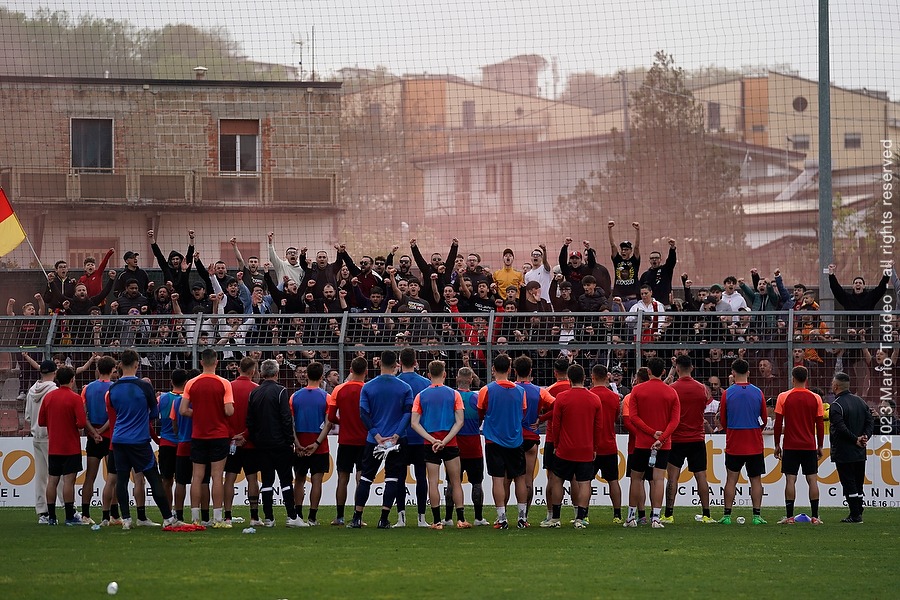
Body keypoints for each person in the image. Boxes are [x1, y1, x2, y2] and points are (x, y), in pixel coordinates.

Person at [105, 349, 180, 529]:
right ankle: (168, 517)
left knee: (122, 479)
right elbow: (154, 413)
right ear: (137, 365)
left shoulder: (113, 388)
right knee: (153, 477)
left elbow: (113, 409)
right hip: (138, 439)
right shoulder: (144, 386)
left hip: (118, 439)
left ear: (121, 365)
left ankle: (127, 519)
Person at [350, 350, 414, 529]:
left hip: (374, 439)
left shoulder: (368, 387)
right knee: (392, 478)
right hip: (397, 440)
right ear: (396, 364)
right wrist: (396, 435)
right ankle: (383, 518)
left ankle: (357, 517)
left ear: (379, 364)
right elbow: (408, 413)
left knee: (366, 478)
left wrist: (376, 435)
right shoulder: (404, 388)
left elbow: (364, 414)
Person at [180, 348, 235, 527]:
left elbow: (182, 410)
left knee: (197, 476)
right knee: (217, 476)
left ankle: (195, 517)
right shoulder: (224, 383)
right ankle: (218, 518)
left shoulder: (191, 383)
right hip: (219, 434)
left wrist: (199, 413)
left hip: (198, 434)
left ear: (201, 362)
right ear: (216, 362)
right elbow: (229, 410)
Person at [410, 360, 468, 529]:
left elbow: (414, 423)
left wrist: (432, 439)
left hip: (430, 443)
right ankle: (461, 519)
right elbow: (460, 421)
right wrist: (445, 440)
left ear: (429, 375)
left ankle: (436, 521)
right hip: (449, 443)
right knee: (456, 482)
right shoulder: (454, 394)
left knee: (433, 482)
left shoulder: (421, 395)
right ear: (444, 374)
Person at [623, 356, 680, 529]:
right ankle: (655, 517)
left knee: (636, 479)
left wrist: (651, 433)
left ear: (648, 371)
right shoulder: (671, 392)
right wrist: (661, 438)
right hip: (663, 444)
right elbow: (675, 421)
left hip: (641, 443)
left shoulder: (638, 391)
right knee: (658, 479)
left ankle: (631, 517)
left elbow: (633, 417)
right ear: (663, 372)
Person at [246, 359, 302, 527]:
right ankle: (292, 517)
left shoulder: (254, 393)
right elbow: (286, 418)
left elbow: (250, 421)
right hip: (280, 444)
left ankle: (269, 518)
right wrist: (289, 440)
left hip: (262, 445)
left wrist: (256, 439)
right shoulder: (280, 391)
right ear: (277, 373)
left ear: (262, 373)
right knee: (285, 481)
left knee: (267, 481)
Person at [547, 364, 603, 529]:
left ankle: (556, 518)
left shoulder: (562, 398)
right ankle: (580, 517)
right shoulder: (594, 399)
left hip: (565, 448)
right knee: (584, 482)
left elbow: (556, 425)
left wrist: (556, 444)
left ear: (569, 379)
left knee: (557, 480)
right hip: (585, 448)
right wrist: (595, 447)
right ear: (584, 378)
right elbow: (598, 427)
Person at [477, 353, 528, 530]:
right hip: (515, 440)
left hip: (494, 440)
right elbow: (522, 412)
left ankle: (502, 517)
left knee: (498, 480)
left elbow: (480, 412)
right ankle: (522, 517)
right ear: (509, 369)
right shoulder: (520, 391)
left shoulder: (486, 390)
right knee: (520, 478)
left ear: (493, 369)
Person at [664, 355, 715, 524]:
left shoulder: (673, 388)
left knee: (672, 477)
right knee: (701, 476)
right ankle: (706, 514)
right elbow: (704, 405)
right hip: (696, 437)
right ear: (692, 368)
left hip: (677, 438)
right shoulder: (702, 388)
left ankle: (669, 514)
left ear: (677, 368)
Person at [718, 359, 768, 525]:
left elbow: (723, 419)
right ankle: (756, 515)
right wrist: (755, 429)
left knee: (731, 479)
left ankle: (726, 515)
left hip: (735, 441)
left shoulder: (728, 393)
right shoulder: (757, 392)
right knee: (756, 479)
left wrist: (731, 429)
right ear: (748, 372)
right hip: (753, 440)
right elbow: (764, 418)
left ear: (733, 372)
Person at [774, 366, 825, 525]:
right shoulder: (816, 398)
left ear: (793, 378)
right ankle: (815, 517)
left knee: (790, 480)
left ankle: (789, 517)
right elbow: (820, 425)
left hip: (790, 445)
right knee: (812, 480)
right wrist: (820, 445)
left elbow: (778, 423)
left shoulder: (783, 397)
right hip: (809, 445)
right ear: (806, 378)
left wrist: (777, 444)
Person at [38, 366, 87, 526]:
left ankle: (51, 517)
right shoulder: (75, 398)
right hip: (70, 446)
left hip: (54, 446)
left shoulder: (49, 397)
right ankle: (69, 516)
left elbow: (41, 421)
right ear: (72, 380)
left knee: (52, 481)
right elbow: (81, 423)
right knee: (68, 482)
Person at [326, 356, 368, 526]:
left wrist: (343, 422)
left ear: (350, 370)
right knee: (361, 479)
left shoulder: (339, 390)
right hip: (364, 440)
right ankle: (358, 516)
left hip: (345, 440)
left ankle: (340, 516)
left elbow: (330, 417)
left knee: (342, 478)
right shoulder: (367, 390)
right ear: (365, 372)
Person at [444, 367, 488, 526]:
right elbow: (481, 417)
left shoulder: (451, 397)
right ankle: (478, 518)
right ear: (471, 380)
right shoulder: (476, 399)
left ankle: (448, 518)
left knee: (452, 482)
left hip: (454, 444)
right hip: (473, 446)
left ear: (456, 379)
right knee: (477, 482)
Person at [828, 372, 875, 523]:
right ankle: (857, 511)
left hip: (844, 450)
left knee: (848, 483)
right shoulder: (860, 402)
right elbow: (870, 421)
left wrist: (855, 439)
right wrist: (865, 437)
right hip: (860, 450)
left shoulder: (836, 405)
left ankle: (855, 515)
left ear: (836, 386)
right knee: (858, 482)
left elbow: (840, 428)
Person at [513, 355, 554, 525]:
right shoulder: (540, 391)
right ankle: (524, 516)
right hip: (531, 436)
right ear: (530, 371)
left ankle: (503, 515)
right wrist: (542, 418)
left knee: (508, 479)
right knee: (527, 479)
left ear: (514, 371)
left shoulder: (509, 388)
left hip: (512, 437)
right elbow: (557, 406)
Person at [290, 361, 332, 527]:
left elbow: (291, 423)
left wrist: (297, 443)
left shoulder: (295, 396)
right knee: (316, 480)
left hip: (300, 442)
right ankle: (312, 517)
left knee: (299, 480)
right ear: (322, 377)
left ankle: (298, 514)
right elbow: (328, 423)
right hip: (319, 444)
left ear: (306, 375)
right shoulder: (326, 397)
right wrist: (316, 443)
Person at [394, 347, 431, 528]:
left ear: (399, 362)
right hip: (421, 435)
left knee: (399, 476)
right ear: (416, 362)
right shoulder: (425, 383)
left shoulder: (396, 382)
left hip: (400, 435)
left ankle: (401, 517)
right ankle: (421, 518)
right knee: (421, 476)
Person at [80, 356, 117, 525]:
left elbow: (83, 413)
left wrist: (94, 432)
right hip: (109, 436)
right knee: (113, 477)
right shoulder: (114, 388)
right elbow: (115, 413)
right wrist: (102, 431)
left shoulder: (88, 388)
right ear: (111, 370)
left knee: (90, 477)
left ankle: (85, 514)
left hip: (92, 436)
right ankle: (112, 514)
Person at [224, 357, 260, 526]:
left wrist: (233, 435)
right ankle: (254, 517)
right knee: (252, 478)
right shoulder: (256, 390)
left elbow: (223, 414)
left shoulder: (228, 387)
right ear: (253, 371)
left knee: (229, 477)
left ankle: (228, 515)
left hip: (231, 440)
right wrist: (245, 435)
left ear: (239, 369)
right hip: (250, 441)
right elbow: (257, 418)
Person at [25, 359, 58, 524]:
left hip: (36, 436)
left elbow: (28, 416)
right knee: (57, 475)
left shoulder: (32, 390)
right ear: (55, 372)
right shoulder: (54, 391)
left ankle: (42, 512)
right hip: (51, 436)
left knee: (41, 476)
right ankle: (69, 508)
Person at [590, 364, 623, 524]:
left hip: (592, 446)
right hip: (609, 444)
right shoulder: (614, 397)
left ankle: (584, 514)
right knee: (613, 480)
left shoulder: (589, 395)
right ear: (607, 377)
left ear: (593, 377)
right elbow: (617, 418)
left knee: (585, 481)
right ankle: (617, 515)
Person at [156, 368, 187, 516]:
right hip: (183, 443)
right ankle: (177, 511)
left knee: (166, 480)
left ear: (171, 382)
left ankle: (167, 512)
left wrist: (156, 439)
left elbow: (150, 419)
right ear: (186, 383)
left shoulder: (161, 399)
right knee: (181, 480)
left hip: (166, 443)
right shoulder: (188, 400)